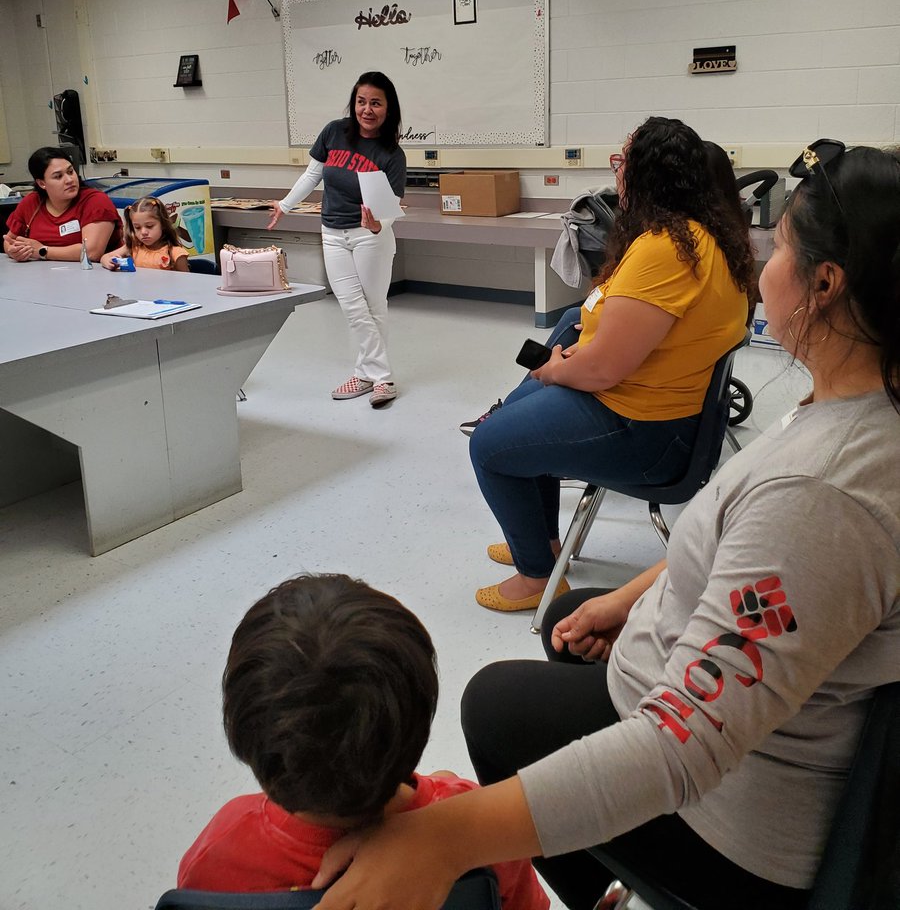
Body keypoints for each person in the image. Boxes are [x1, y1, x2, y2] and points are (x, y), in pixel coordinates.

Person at [309, 140, 900, 910]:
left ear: (825, 285)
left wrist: (444, 836)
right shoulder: (853, 399)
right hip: (727, 686)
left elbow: (683, 750)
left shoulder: (823, 498)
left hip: (733, 822)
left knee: (492, 705)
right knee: (566, 617)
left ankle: (608, 887)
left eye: (781, 248)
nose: (765, 269)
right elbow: (750, 555)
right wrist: (632, 602)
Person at [468, 117, 756, 612]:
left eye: (622, 162)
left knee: (490, 444)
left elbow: (602, 373)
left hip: (643, 431)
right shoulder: (708, 236)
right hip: (661, 414)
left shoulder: (664, 250)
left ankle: (537, 574)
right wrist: (576, 357)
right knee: (516, 417)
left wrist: (557, 368)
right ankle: (542, 546)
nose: (616, 173)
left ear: (645, 175)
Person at [177, 573, 548, 910]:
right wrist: (441, 791)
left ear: (245, 739)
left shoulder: (222, 847)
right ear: (420, 723)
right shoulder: (476, 828)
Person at [268, 73, 406, 408]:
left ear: (389, 109)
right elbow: (313, 174)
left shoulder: (392, 154)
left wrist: (377, 225)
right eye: (361, 101)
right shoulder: (334, 132)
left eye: (376, 103)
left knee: (373, 307)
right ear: (353, 102)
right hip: (332, 233)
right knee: (352, 306)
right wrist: (285, 205)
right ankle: (380, 377)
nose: (367, 110)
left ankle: (368, 375)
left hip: (370, 237)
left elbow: (392, 206)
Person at [2, 146, 122, 263]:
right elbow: (9, 241)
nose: (69, 180)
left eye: (70, 171)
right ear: (42, 183)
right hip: (42, 275)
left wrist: (42, 251)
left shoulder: (95, 201)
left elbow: (92, 252)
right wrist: (14, 251)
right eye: (58, 176)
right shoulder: (31, 202)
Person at [101, 196, 190, 271]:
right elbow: (104, 257)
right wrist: (108, 262)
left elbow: (186, 283)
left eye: (149, 226)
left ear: (163, 224)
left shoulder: (175, 253)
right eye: (137, 227)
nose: (143, 232)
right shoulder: (134, 247)